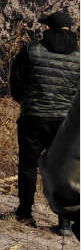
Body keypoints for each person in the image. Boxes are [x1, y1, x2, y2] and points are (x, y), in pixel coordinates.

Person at [9, 11, 79, 233]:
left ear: (48, 27)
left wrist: (28, 103)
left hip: (34, 119)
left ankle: (24, 214)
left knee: (28, 165)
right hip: (65, 123)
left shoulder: (31, 49)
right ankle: (65, 222)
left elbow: (15, 83)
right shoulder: (79, 56)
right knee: (63, 169)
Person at [39, 92, 80, 240]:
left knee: (27, 165)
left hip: (36, 113)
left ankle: (24, 212)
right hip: (62, 114)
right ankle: (64, 225)